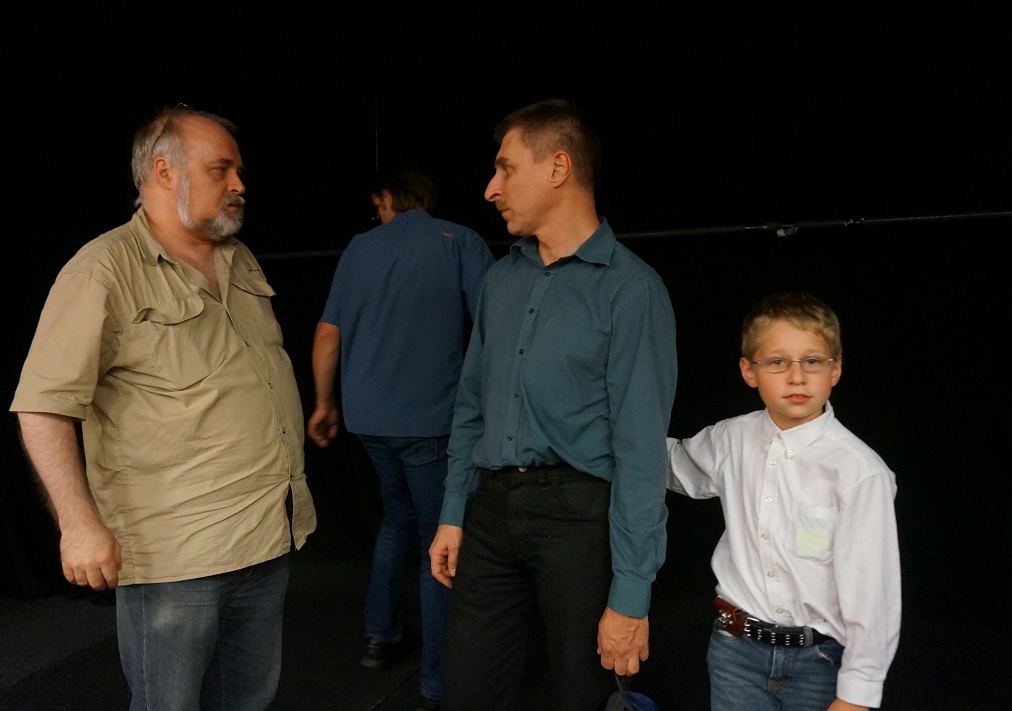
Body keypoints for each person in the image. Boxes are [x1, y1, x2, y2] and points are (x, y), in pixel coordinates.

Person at [9, 104, 317, 711]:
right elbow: (42, 407)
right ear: (164, 171)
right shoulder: (102, 271)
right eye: (222, 169)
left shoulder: (239, 257)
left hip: (266, 533)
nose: (239, 184)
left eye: (238, 170)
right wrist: (78, 524)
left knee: (249, 701)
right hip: (177, 555)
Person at [429, 98, 678, 710]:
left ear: (559, 167)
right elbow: (471, 406)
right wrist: (454, 511)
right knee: (466, 694)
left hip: (579, 522)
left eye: (505, 168)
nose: (490, 189)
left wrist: (631, 594)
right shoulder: (500, 279)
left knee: (579, 695)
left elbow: (641, 452)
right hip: (491, 513)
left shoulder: (631, 290)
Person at [306, 163, 494, 711]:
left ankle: (379, 636)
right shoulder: (460, 241)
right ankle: (436, 681)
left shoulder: (357, 249)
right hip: (432, 420)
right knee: (441, 538)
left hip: (368, 422)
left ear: (387, 196)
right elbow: (497, 324)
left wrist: (324, 404)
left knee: (396, 520)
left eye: (378, 204)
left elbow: (327, 334)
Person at [665, 291, 900, 711]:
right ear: (749, 371)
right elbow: (672, 466)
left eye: (812, 361)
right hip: (735, 652)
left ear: (836, 369)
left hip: (820, 662)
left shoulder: (860, 473)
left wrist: (856, 694)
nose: (796, 377)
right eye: (777, 362)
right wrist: (605, 437)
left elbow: (873, 593)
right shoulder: (731, 438)